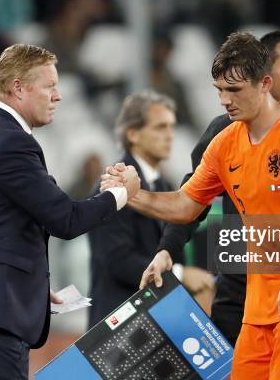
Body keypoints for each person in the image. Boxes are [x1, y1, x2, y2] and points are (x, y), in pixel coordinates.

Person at [103, 32, 280, 379]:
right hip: (259, 304)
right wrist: (134, 195)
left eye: (234, 90)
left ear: (265, 83)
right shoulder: (225, 143)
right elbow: (186, 205)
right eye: (219, 89)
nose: (224, 100)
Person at [0, 44, 139, 380]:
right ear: (18, 88)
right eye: (49, 86)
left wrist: (31, 285)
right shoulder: (7, 140)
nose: (57, 96)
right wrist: (120, 194)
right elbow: (64, 220)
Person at [88, 90, 214, 327]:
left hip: (152, 322)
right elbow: (118, 259)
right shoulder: (114, 183)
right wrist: (180, 274)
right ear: (133, 134)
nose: (170, 136)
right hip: (116, 325)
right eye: (160, 127)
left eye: (171, 127)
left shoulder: (165, 186)